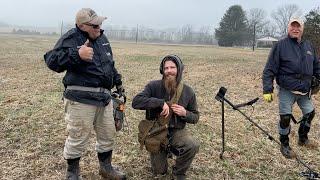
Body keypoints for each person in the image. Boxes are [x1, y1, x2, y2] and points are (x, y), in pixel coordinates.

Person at [44, 8, 126, 180]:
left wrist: (118, 83)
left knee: (107, 134)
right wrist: (77, 54)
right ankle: (72, 174)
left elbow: (109, 64)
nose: (99, 28)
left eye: (100, 24)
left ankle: (106, 168)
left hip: (104, 98)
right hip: (80, 98)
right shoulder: (71, 37)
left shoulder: (102, 39)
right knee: (78, 136)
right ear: (82, 25)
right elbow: (51, 60)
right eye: (95, 25)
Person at [132, 55, 200, 180]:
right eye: (166, 68)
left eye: (172, 67)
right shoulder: (153, 86)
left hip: (176, 131)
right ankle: (163, 151)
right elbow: (136, 102)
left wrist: (185, 113)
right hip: (156, 132)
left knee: (192, 145)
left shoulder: (188, 91)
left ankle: (179, 172)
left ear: (179, 69)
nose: (169, 71)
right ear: (162, 70)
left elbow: (195, 117)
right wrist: (160, 103)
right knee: (160, 172)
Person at [262, 17, 320, 159]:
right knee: (285, 118)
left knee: (310, 113)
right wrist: (267, 89)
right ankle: (285, 144)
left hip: (305, 90)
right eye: (292, 26)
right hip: (287, 89)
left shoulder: (309, 46)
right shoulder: (280, 45)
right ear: (288, 28)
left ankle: (302, 138)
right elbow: (269, 69)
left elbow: (317, 66)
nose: (295, 29)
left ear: (302, 29)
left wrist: (318, 80)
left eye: (298, 26)